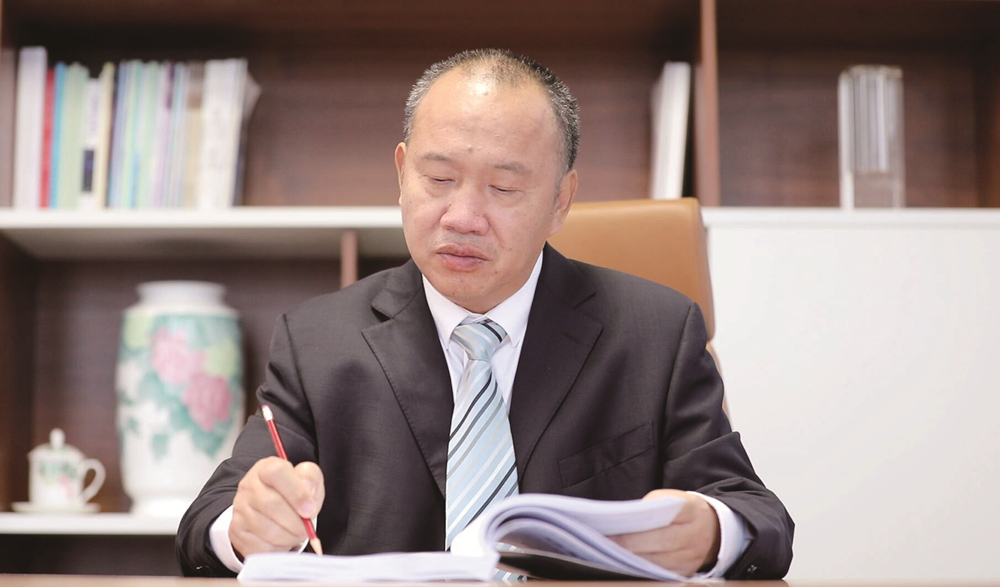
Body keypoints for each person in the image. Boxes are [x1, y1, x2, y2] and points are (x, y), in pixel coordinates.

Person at [176, 48, 794, 579]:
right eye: (438, 178)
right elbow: (207, 523)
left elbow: (758, 517)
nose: (463, 217)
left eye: (503, 188)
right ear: (401, 174)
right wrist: (247, 526)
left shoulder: (654, 332)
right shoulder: (317, 341)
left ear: (561, 201)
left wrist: (708, 530)